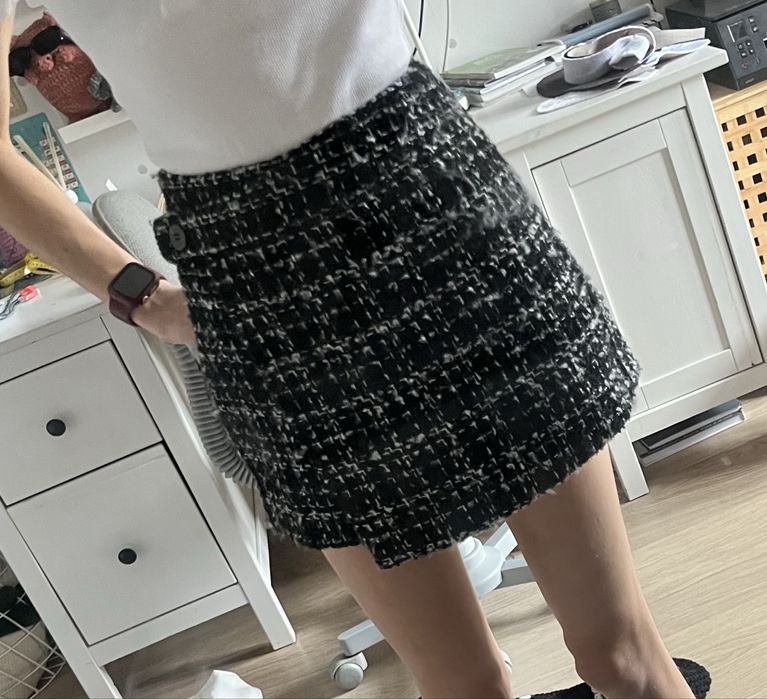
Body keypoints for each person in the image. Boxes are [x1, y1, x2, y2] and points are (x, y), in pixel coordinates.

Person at [0, 3, 708, 698]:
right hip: (259, 277)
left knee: (621, 656)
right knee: (466, 685)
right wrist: (139, 294)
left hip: (438, 198)